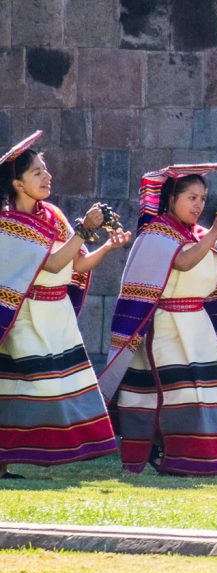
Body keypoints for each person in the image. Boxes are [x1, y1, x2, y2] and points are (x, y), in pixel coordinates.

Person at [99, 164, 217, 476]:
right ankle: (175, 458)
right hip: (167, 325)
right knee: (180, 395)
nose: (198, 205)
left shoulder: (200, 234)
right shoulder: (156, 233)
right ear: (172, 198)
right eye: (191, 197)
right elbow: (184, 262)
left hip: (197, 324)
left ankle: (201, 459)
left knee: (215, 392)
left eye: (203, 198)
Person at [0, 131, 130, 479]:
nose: (47, 176)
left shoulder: (53, 215)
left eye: (46, 169)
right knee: (26, 386)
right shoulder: (9, 225)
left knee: (58, 386)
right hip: (25, 318)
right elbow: (54, 263)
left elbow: (77, 264)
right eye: (37, 172)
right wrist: (85, 229)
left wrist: (105, 247)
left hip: (57, 317)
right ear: (17, 183)